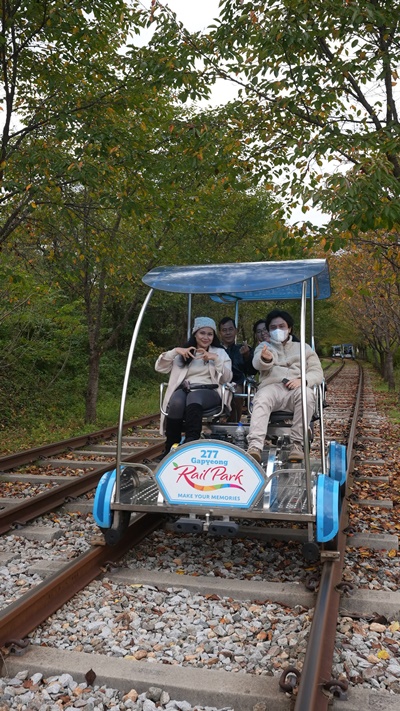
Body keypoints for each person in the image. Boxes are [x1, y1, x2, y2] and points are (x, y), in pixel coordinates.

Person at [246, 309, 324, 464]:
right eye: (273, 327)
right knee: (261, 397)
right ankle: (255, 446)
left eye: (282, 326)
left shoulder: (304, 348)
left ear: (289, 329)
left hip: (296, 388)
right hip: (272, 387)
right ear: (268, 331)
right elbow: (257, 363)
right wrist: (265, 359)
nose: (278, 330)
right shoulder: (264, 347)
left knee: (307, 395)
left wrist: (303, 380)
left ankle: (297, 444)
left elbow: (317, 372)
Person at [155, 317, 232, 455]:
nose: (206, 337)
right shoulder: (185, 352)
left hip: (209, 390)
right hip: (186, 388)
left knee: (194, 397)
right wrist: (175, 351)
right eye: (202, 333)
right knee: (176, 402)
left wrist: (215, 359)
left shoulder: (219, 353)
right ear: (195, 333)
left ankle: (191, 443)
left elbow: (227, 378)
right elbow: (159, 368)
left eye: (210, 334)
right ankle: (171, 446)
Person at [218, 316, 257, 422]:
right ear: (220, 333)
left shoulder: (243, 349)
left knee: (236, 391)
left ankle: (234, 422)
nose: (228, 333)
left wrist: (247, 356)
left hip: (237, 382)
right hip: (218, 380)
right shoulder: (215, 349)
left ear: (235, 330)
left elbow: (252, 371)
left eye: (230, 329)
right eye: (224, 330)